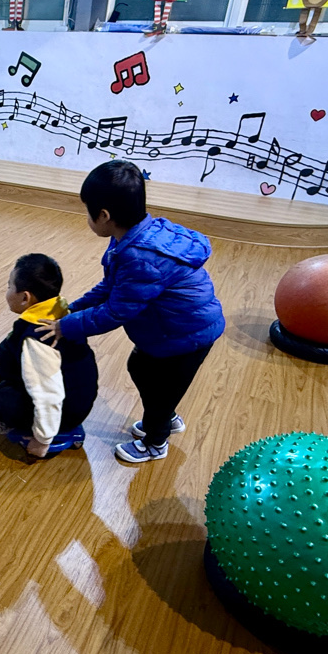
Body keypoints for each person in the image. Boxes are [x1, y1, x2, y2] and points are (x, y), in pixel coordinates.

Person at [37, 160, 225, 464]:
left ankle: (155, 441)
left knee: (160, 389)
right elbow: (112, 287)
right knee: (142, 369)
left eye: (87, 212)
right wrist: (73, 309)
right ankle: (164, 416)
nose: (86, 218)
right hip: (179, 328)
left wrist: (65, 327)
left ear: (104, 215)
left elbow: (115, 312)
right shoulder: (131, 237)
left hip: (187, 336)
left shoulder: (140, 257)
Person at [0, 253, 99, 459]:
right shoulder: (62, 313)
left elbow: (49, 395)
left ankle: (38, 428)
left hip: (63, 412)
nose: (7, 291)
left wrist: (42, 440)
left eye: (9, 286)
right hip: (78, 401)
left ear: (25, 298)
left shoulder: (37, 338)